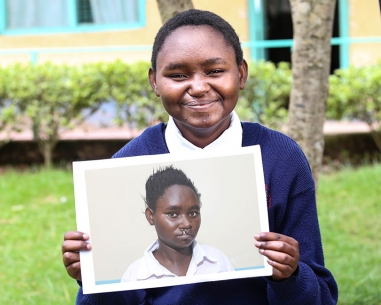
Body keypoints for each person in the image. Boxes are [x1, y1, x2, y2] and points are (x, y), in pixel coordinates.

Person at [62, 9, 338, 304]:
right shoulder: (125, 169)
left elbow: (321, 296)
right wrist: (90, 276)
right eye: (178, 75)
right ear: (155, 82)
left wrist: (291, 276)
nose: (198, 86)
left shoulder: (281, 158)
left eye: (215, 71)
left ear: (241, 73)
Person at [121, 165, 234, 282]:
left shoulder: (218, 261)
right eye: (173, 214)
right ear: (150, 216)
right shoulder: (134, 277)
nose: (186, 224)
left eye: (193, 213)